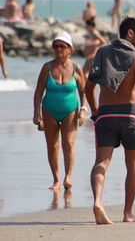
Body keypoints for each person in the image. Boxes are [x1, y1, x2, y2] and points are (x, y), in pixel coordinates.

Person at [85, 17, 135, 225]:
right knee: (133, 166)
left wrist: (95, 113)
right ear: (130, 33)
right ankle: (128, 213)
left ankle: (98, 202)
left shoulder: (101, 53)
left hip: (106, 115)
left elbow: (88, 88)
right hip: (130, 115)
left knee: (101, 162)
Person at [33, 31, 87, 190]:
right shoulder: (47, 67)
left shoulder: (77, 68)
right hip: (49, 111)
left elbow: (84, 92)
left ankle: (68, 177)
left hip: (70, 110)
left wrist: (83, 110)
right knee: (52, 146)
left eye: (62, 46)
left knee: (68, 144)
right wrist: (37, 113)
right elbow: (38, 91)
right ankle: (56, 179)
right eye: (55, 46)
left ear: (70, 49)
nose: (58, 49)